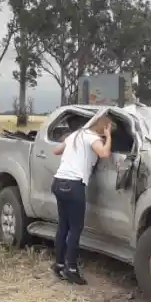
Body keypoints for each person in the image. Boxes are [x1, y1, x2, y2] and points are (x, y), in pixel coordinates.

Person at [51, 110, 113, 284]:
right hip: (74, 185)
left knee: (63, 225)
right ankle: (71, 269)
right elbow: (104, 154)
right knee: (75, 229)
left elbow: (56, 151)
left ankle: (59, 264)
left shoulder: (76, 136)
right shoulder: (92, 138)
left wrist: (69, 143)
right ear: (104, 127)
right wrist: (108, 137)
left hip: (58, 182)